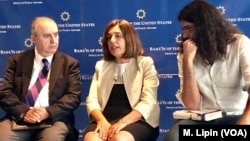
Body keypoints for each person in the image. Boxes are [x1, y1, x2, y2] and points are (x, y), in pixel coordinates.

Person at [164, 0, 250, 141]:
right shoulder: (185, 53)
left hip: (236, 115)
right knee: (174, 137)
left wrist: (246, 120)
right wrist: (187, 62)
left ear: (205, 26)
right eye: (183, 30)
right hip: (203, 120)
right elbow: (192, 105)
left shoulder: (240, 44)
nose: (185, 36)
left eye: (189, 29)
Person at [0, 16, 81, 141]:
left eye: (56, 34)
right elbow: (5, 93)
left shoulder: (69, 63)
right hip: (20, 118)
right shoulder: (17, 61)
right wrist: (24, 112)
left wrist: (47, 112)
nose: (54, 40)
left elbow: (73, 97)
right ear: (33, 39)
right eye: (47, 36)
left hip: (53, 120)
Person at [83, 19, 160, 141]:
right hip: (105, 120)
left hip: (138, 121)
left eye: (118, 36)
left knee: (119, 139)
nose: (112, 41)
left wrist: (123, 122)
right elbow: (91, 100)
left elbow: (148, 102)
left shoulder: (145, 63)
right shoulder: (101, 66)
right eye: (109, 37)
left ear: (129, 39)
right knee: (92, 139)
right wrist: (102, 121)